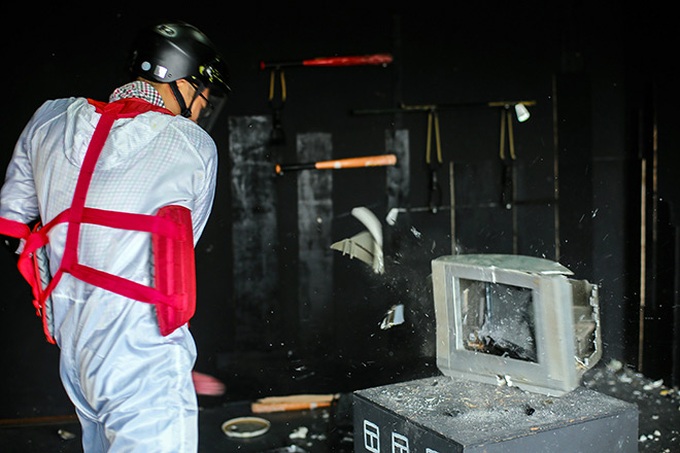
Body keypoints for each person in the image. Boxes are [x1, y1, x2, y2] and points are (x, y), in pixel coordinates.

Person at [0, 20, 229, 452]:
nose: (201, 109)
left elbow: (13, 222)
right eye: (202, 95)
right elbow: (179, 248)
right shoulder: (193, 145)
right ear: (182, 81)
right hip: (144, 354)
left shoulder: (49, 119)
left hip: (76, 348)